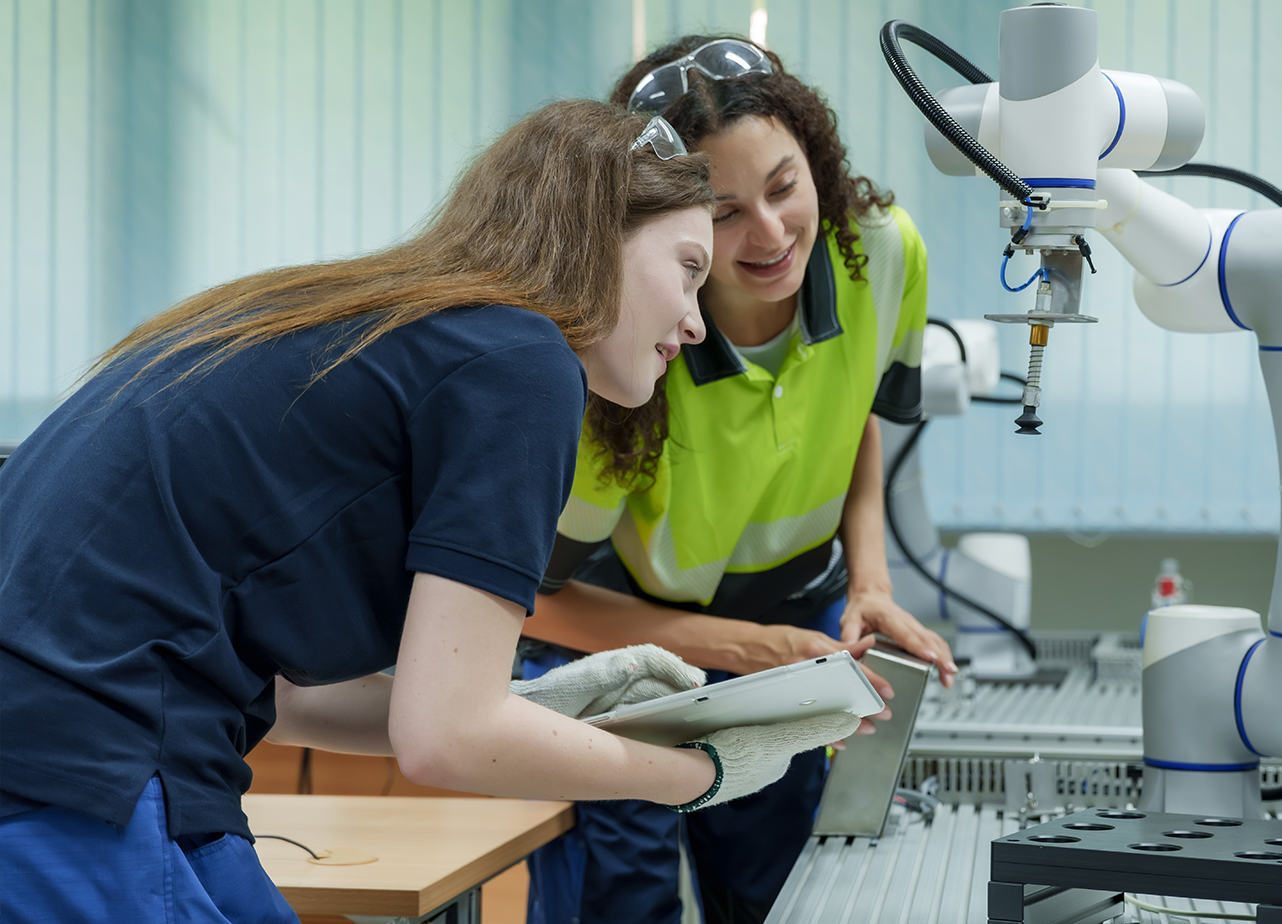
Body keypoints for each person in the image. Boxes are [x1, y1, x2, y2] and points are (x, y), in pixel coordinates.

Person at [0, 100, 857, 924]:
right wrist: (693, 775)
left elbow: (296, 701)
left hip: (76, 758)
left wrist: (550, 710)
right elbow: (445, 737)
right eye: (688, 271)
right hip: (88, 772)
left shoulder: (392, 326)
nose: (696, 324)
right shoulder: (520, 360)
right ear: (602, 240)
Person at [521, 37, 960, 924]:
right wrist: (748, 649)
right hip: (620, 640)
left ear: (817, 160)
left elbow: (855, 412)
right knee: (623, 900)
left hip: (793, 615)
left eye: (784, 186)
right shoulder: (622, 341)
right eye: (721, 213)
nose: (768, 235)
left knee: (776, 892)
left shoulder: (881, 252)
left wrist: (870, 581)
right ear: (660, 222)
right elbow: (537, 602)